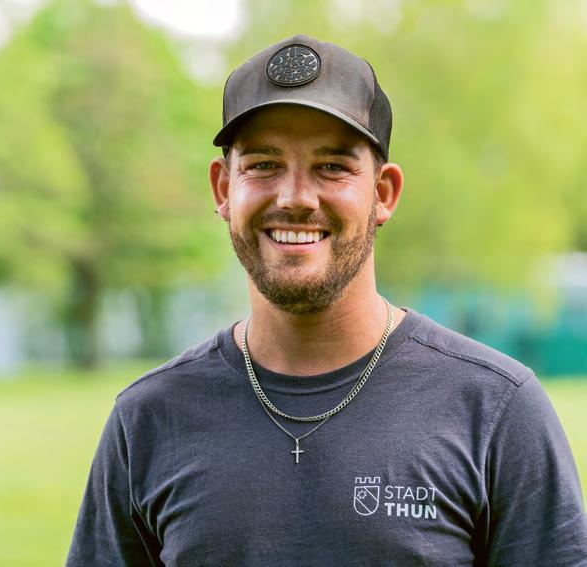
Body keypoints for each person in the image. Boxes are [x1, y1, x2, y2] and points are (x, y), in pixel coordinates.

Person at [65, 35, 587, 566]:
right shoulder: (148, 420)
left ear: (383, 194)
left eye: (332, 166)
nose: (295, 197)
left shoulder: (496, 410)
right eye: (263, 164)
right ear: (223, 189)